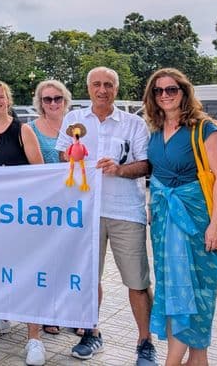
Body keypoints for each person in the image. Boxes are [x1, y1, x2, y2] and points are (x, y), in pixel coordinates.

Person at [55, 67, 157, 365]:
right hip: (87, 211)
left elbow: (146, 164)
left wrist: (120, 169)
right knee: (88, 278)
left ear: (116, 88)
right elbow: (62, 155)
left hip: (126, 210)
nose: (102, 90)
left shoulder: (133, 123)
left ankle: (145, 342)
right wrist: (72, 155)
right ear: (88, 89)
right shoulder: (74, 119)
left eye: (108, 85)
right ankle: (91, 332)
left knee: (137, 282)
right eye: (97, 84)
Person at [142, 68, 217, 366]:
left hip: (197, 223)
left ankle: (172, 362)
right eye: (158, 91)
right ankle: (196, 358)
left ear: (184, 92)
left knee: (197, 291)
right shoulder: (153, 130)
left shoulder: (204, 129)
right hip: (164, 224)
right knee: (170, 287)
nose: (165, 95)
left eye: (171, 89)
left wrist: (215, 225)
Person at [0, 81, 46, 366]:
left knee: (27, 273)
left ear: (8, 100)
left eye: (1, 97)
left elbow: (40, 172)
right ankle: (0, 317)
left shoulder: (22, 130)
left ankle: (34, 337)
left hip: (22, 212)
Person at [28, 78, 73, 336]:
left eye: (57, 98)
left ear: (65, 101)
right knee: (45, 262)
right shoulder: (31, 129)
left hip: (76, 204)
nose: (53, 103)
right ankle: (48, 312)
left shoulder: (78, 126)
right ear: (40, 103)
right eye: (47, 99)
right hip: (45, 206)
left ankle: (72, 311)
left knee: (72, 261)